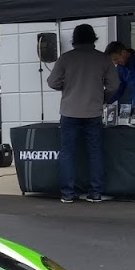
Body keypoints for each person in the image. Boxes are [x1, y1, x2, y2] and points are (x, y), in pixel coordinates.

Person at [46, 24, 119, 204]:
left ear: (74, 39)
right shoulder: (102, 59)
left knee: (68, 153)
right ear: (94, 38)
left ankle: (67, 194)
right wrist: (102, 98)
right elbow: (114, 85)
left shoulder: (65, 58)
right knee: (94, 152)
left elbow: (52, 82)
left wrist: (67, 87)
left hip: (70, 111)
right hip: (93, 112)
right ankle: (95, 193)